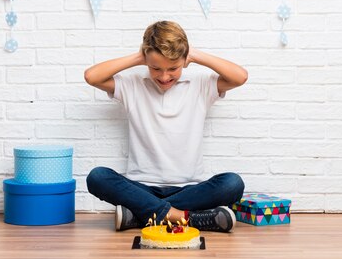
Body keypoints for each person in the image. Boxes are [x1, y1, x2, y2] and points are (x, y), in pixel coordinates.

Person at [84, 20, 248, 232]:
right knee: (97, 177)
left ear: (184, 60)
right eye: (155, 68)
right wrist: (138, 57)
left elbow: (240, 76)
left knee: (233, 184)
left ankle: (141, 215)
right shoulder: (132, 85)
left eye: (173, 68)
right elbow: (91, 76)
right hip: (141, 187)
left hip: (190, 188)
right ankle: (181, 217)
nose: (164, 76)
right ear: (146, 60)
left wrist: (195, 54)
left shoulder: (200, 85)